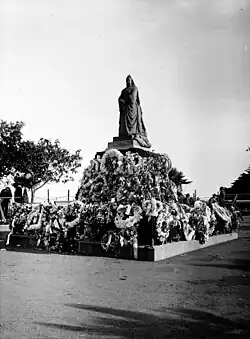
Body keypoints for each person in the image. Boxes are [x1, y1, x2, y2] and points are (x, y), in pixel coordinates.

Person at [118, 75, 151, 148]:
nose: (128, 82)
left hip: (133, 108)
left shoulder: (134, 88)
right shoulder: (123, 90)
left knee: (133, 122)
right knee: (124, 123)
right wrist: (121, 100)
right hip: (125, 108)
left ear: (131, 81)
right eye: (127, 80)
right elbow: (120, 98)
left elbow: (133, 97)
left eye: (129, 80)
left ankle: (134, 133)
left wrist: (126, 98)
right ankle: (125, 133)